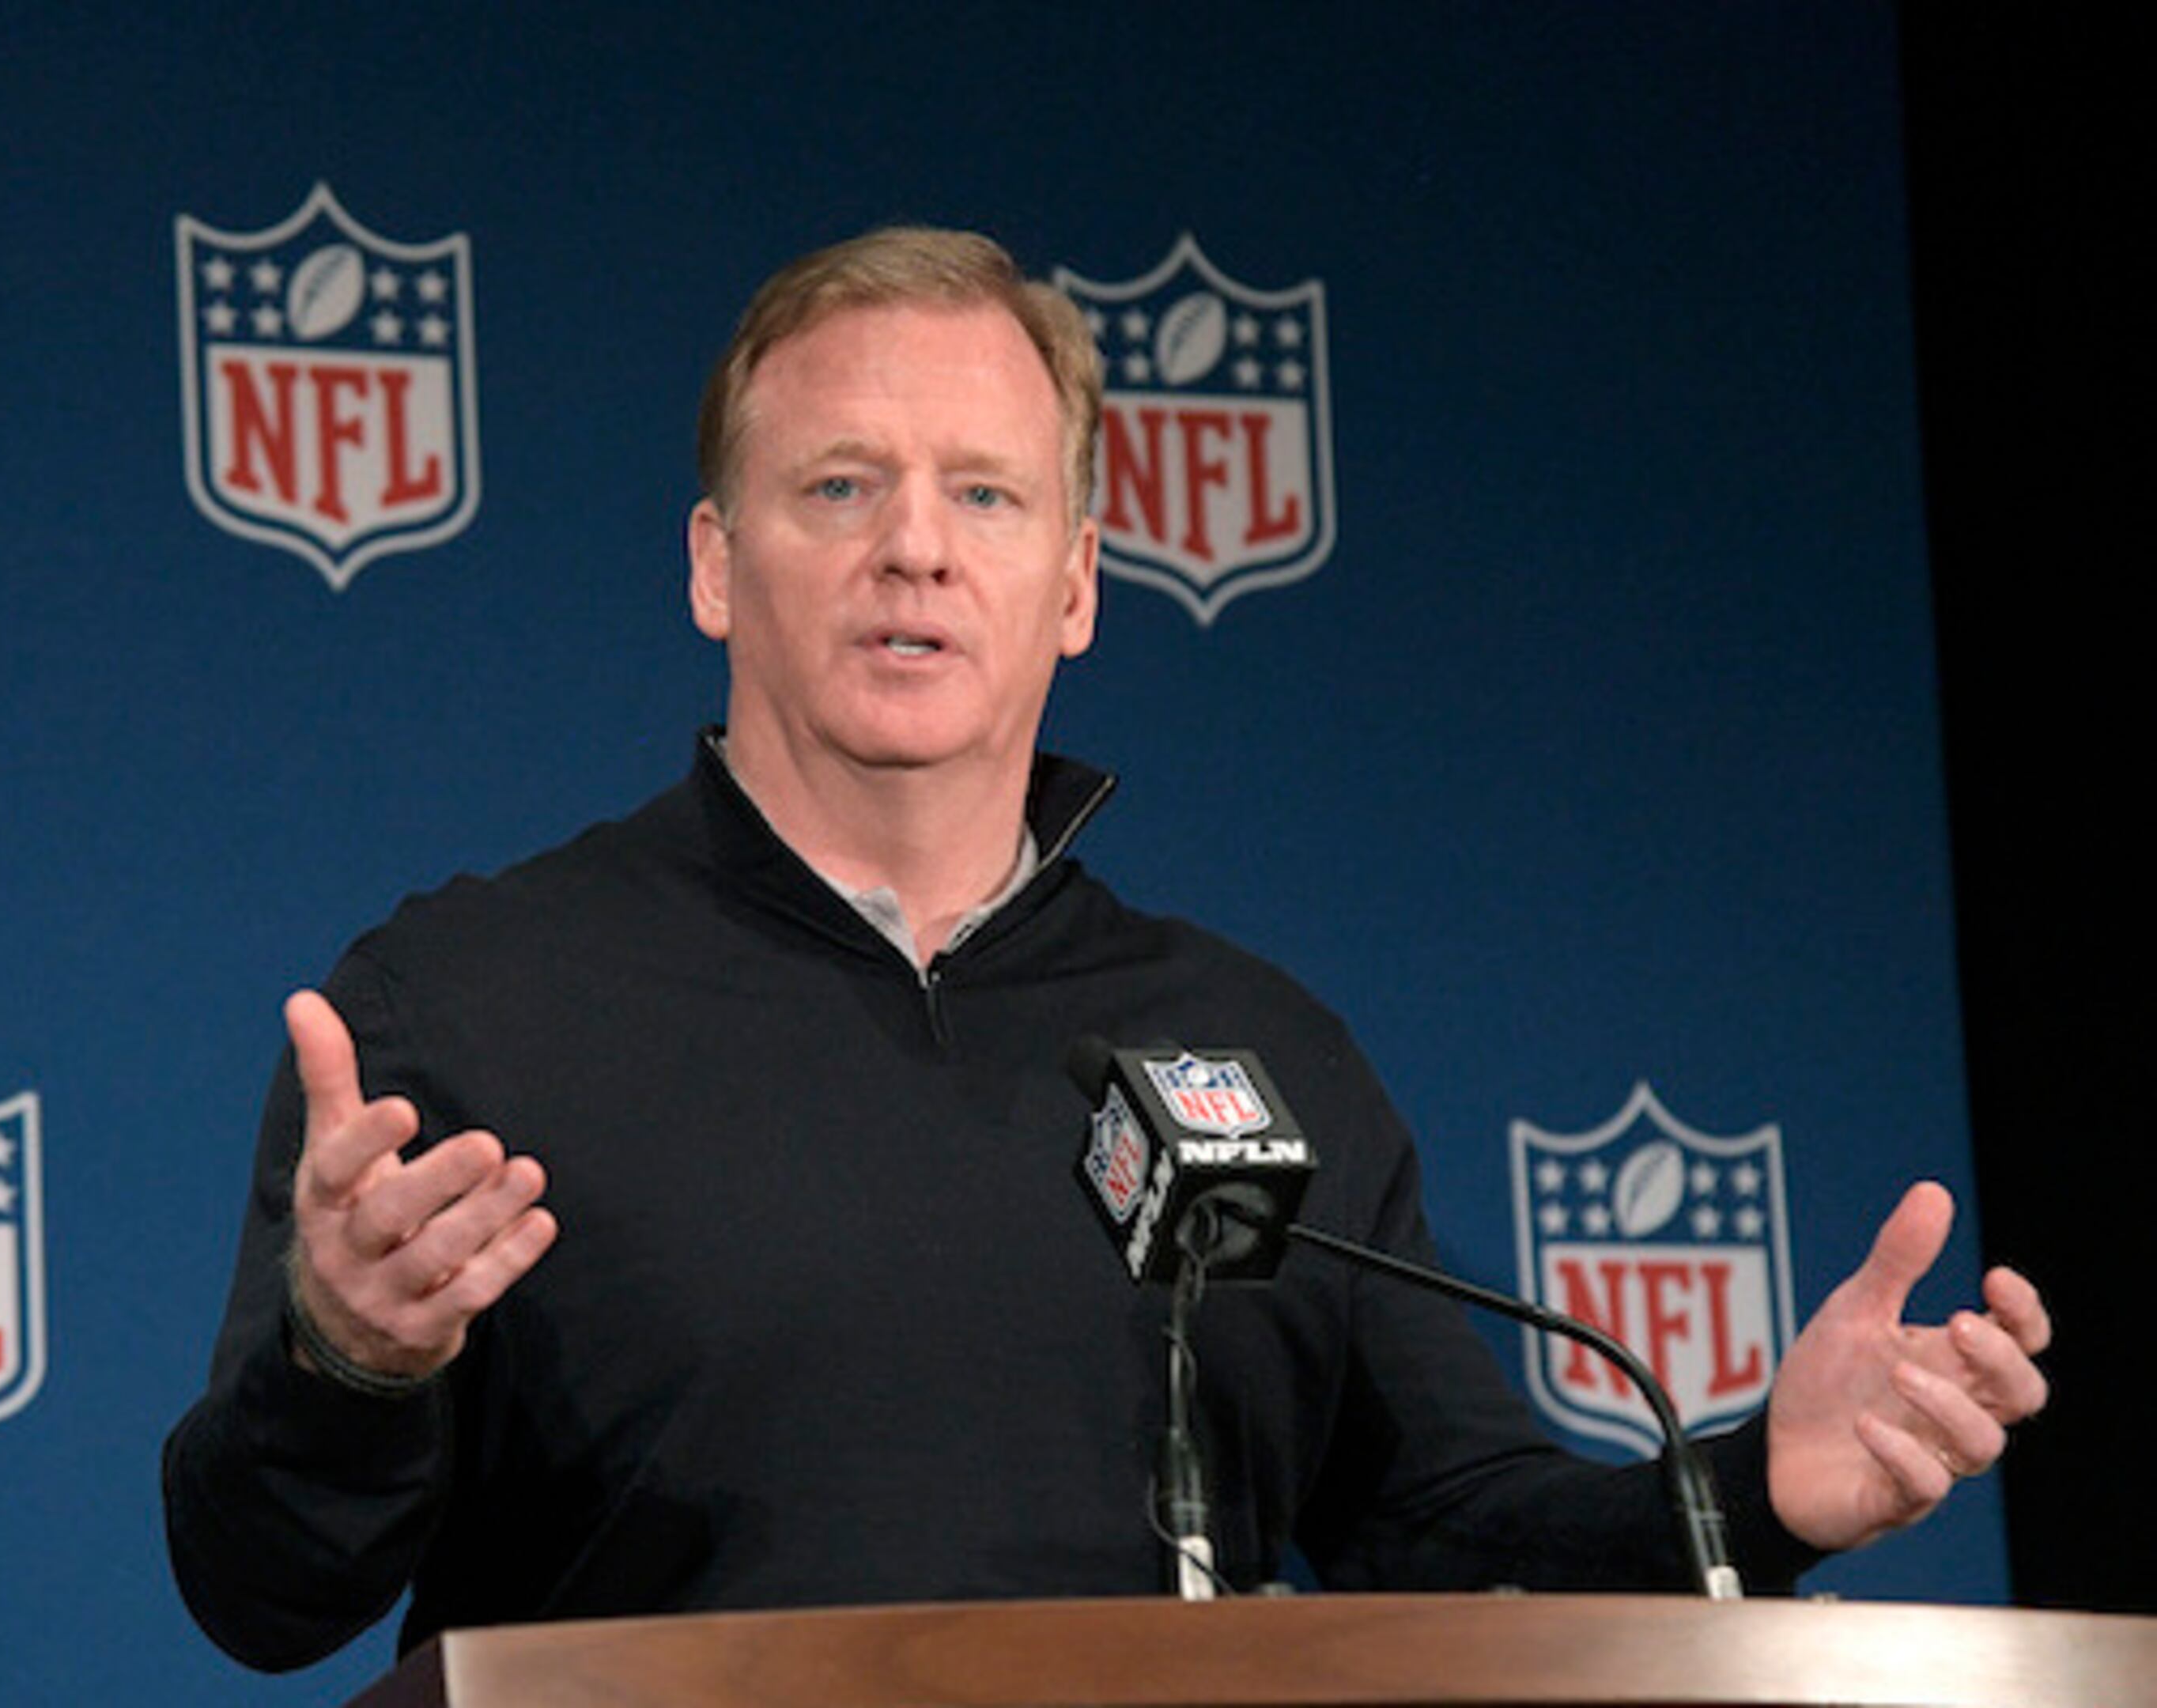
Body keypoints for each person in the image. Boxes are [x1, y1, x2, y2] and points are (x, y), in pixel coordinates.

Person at [161, 227, 2053, 1673]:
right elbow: (260, 1594)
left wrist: (1758, 1493)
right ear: (716, 565)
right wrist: (350, 1356)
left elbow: (1455, 1539)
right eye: (839, 486)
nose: (915, 548)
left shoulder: (1243, 1038)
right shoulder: (476, 1007)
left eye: (982, 493)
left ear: (1072, 582)